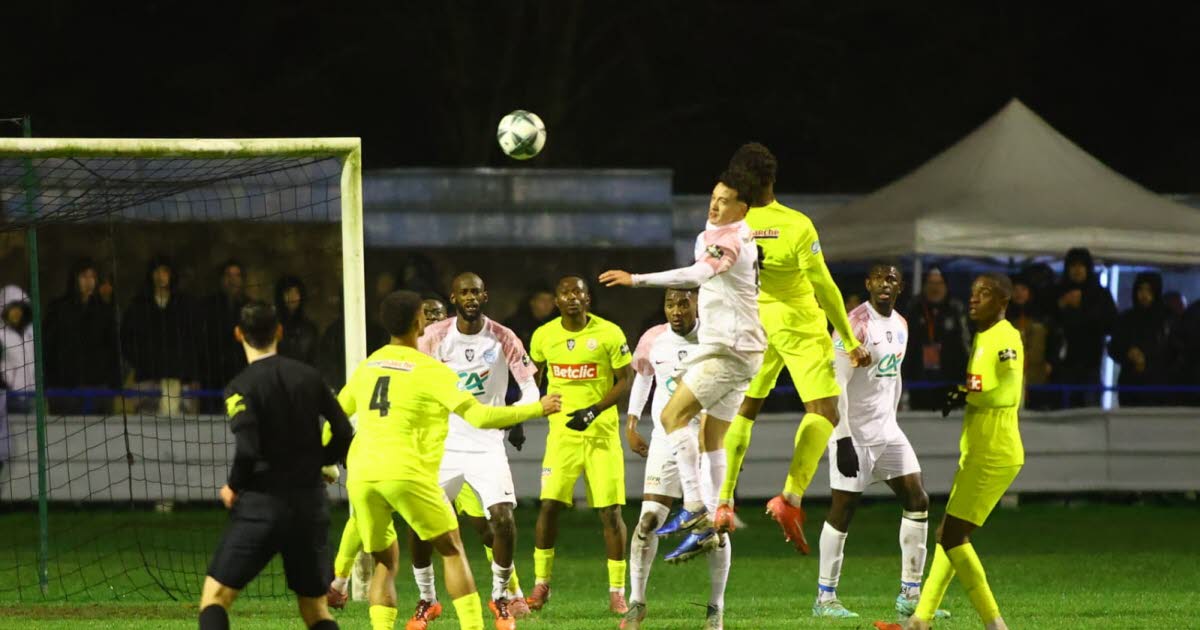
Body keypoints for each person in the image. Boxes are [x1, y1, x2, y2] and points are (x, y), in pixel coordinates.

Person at [600, 167, 765, 630]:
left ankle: (697, 512)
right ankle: (699, 526)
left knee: (674, 415)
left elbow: (697, 273)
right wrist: (632, 420)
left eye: (725, 199)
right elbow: (642, 378)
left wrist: (636, 279)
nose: (715, 204)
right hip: (739, 356)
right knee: (704, 447)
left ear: (742, 208)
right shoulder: (722, 238)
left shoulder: (728, 242)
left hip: (731, 350)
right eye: (713, 196)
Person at [337, 290, 559, 630]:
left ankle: (500, 595)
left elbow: (337, 414)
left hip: (363, 473)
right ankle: (453, 612)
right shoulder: (430, 369)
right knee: (452, 548)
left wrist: (326, 459)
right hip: (413, 467)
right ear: (419, 323)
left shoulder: (368, 365)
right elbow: (479, 416)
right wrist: (535, 409)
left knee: (386, 562)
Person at [711, 143, 870, 552]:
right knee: (824, 411)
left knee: (744, 409)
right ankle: (791, 497)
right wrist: (850, 340)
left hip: (752, 323)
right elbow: (824, 286)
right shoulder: (796, 225)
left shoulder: (730, 224)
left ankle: (724, 501)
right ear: (771, 178)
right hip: (798, 322)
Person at [874, 273, 1023, 630]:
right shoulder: (983, 335)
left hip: (993, 453)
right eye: (973, 292)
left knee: (952, 536)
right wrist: (966, 393)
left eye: (984, 293)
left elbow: (1009, 393)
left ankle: (995, 624)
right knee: (948, 535)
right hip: (978, 451)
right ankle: (920, 620)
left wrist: (968, 395)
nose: (974, 299)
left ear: (1003, 302)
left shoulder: (1005, 337)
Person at [199, 301, 354, 630]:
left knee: (215, 599)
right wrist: (320, 460)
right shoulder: (309, 376)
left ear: (238, 334)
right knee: (316, 611)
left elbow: (248, 449)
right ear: (279, 332)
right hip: (309, 505)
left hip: (262, 505)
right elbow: (343, 430)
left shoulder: (240, 386)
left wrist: (233, 486)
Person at [812, 263, 947, 622]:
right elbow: (836, 386)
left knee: (918, 498)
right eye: (878, 278)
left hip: (887, 432)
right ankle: (825, 598)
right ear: (868, 283)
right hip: (853, 435)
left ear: (900, 287)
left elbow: (894, 377)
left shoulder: (901, 324)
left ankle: (911, 595)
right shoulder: (853, 325)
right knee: (843, 510)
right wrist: (842, 439)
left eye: (892, 279)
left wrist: (893, 420)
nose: (885, 284)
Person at [406, 273, 539, 623]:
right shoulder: (434, 337)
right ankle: (427, 599)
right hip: (443, 444)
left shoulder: (504, 337)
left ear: (485, 296)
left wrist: (515, 413)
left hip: (486, 444)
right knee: (420, 523)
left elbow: (530, 387)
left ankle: (501, 597)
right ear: (453, 298)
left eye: (475, 292)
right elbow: (411, 381)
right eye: (464, 292)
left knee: (503, 520)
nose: (470, 298)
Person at [621, 288, 731, 630]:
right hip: (666, 441)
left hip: (706, 441)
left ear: (697, 303)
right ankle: (636, 602)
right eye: (670, 304)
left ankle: (715, 608)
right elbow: (644, 378)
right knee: (647, 521)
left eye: (684, 303)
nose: (677, 310)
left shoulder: (716, 338)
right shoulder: (653, 339)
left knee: (714, 529)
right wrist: (632, 423)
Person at [524, 274, 633, 614]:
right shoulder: (543, 336)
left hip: (601, 435)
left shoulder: (609, 333)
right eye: (565, 293)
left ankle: (617, 591)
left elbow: (625, 380)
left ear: (588, 299)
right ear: (556, 301)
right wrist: (524, 411)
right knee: (549, 506)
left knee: (610, 512)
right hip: (562, 436)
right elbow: (532, 378)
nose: (572, 297)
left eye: (578, 292)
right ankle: (541, 584)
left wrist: (594, 410)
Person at [120, 256, 199, 415]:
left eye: (165, 271)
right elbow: (127, 339)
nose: (161, 276)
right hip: (147, 378)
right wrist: (143, 363)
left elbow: (192, 340)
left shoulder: (184, 305)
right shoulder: (139, 305)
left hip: (178, 379)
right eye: (157, 271)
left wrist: (187, 372)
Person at [45, 259, 121, 414]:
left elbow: (113, 349)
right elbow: (48, 347)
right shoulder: (58, 309)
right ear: (75, 279)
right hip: (65, 389)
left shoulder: (104, 311)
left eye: (92, 277)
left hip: (99, 388)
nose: (89, 281)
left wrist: (115, 384)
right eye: (84, 276)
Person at [1052, 248, 1116, 407]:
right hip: (1061, 367)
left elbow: (1111, 324)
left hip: (1090, 366)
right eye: (1073, 266)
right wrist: (1061, 305)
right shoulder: (1056, 292)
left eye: (1081, 265)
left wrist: (1083, 308)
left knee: (1090, 412)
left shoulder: (1100, 294)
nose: (1077, 270)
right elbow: (1048, 321)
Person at [901, 268, 970, 411]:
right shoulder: (914, 308)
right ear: (924, 286)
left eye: (939, 283)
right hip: (920, 382)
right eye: (931, 283)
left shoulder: (956, 309)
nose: (935, 288)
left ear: (946, 286)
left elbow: (965, 344)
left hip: (951, 379)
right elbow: (906, 345)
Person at [1108, 272, 1178, 407]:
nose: (1144, 295)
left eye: (1149, 290)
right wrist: (1128, 353)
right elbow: (1114, 346)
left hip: (1160, 388)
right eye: (1141, 289)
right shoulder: (1126, 319)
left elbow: (1174, 351)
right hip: (1130, 386)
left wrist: (1149, 359)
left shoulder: (1168, 319)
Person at [197, 260, 249, 413]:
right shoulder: (207, 306)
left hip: (239, 379)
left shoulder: (249, 308)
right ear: (221, 279)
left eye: (237, 275)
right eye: (228, 275)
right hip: (211, 380)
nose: (232, 280)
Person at [1006, 273, 1058, 410]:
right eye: (1015, 290)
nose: (1019, 293)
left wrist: (1050, 362)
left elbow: (1054, 342)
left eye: (1023, 289)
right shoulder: (1002, 318)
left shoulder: (1042, 317)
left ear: (1030, 292)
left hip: (1037, 377)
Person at [0, 285, 34, 413]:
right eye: (12, 307)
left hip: (31, 397)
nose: (17, 312)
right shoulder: (1, 335)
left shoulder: (30, 334)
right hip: (8, 400)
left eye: (20, 308)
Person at [276, 276, 319, 366]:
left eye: (296, 292)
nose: (293, 297)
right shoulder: (274, 326)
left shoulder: (309, 328)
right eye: (288, 292)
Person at [504, 286, 556, 351]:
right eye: (542, 300)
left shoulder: (557, 324)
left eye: (551, 300)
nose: (547, 304)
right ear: (532, 302)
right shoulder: (515, 324)